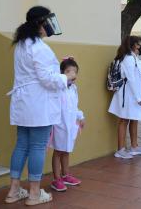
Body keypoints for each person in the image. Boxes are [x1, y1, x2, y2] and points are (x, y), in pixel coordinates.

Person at [6, 6, 76, 206]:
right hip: (38, 105)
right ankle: (35, 193)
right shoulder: (39, 47)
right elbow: (48, 79)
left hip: (24, 103)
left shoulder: (22, 44)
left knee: (21, 145)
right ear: (40, 23)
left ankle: (13, 190)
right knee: (37, 146)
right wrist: (67, 76)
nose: (50, 25)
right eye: (47, 21)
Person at [108, 36, 141, 159]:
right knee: (124, 120)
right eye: (138, 44)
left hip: (134, 95)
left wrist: (139, 96)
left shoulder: (134, 57)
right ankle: (120, 149)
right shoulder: (129, 59)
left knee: (134, 119)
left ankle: (134, 147)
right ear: (132, 45)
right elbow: (131, 79)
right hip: (128, 95)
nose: (140, 46)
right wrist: (138, 97)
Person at [49, 57, 85, 192]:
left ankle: (65, 175)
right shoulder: (58, 88)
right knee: (58, 151)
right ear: (61, 73)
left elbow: (75, 106)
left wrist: (80, 116)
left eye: (74, 72)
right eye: (68, 71)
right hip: (59, 125)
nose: (72, 74)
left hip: (70, 125)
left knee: (66, 150)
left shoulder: (73, 89)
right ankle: (56, 179)